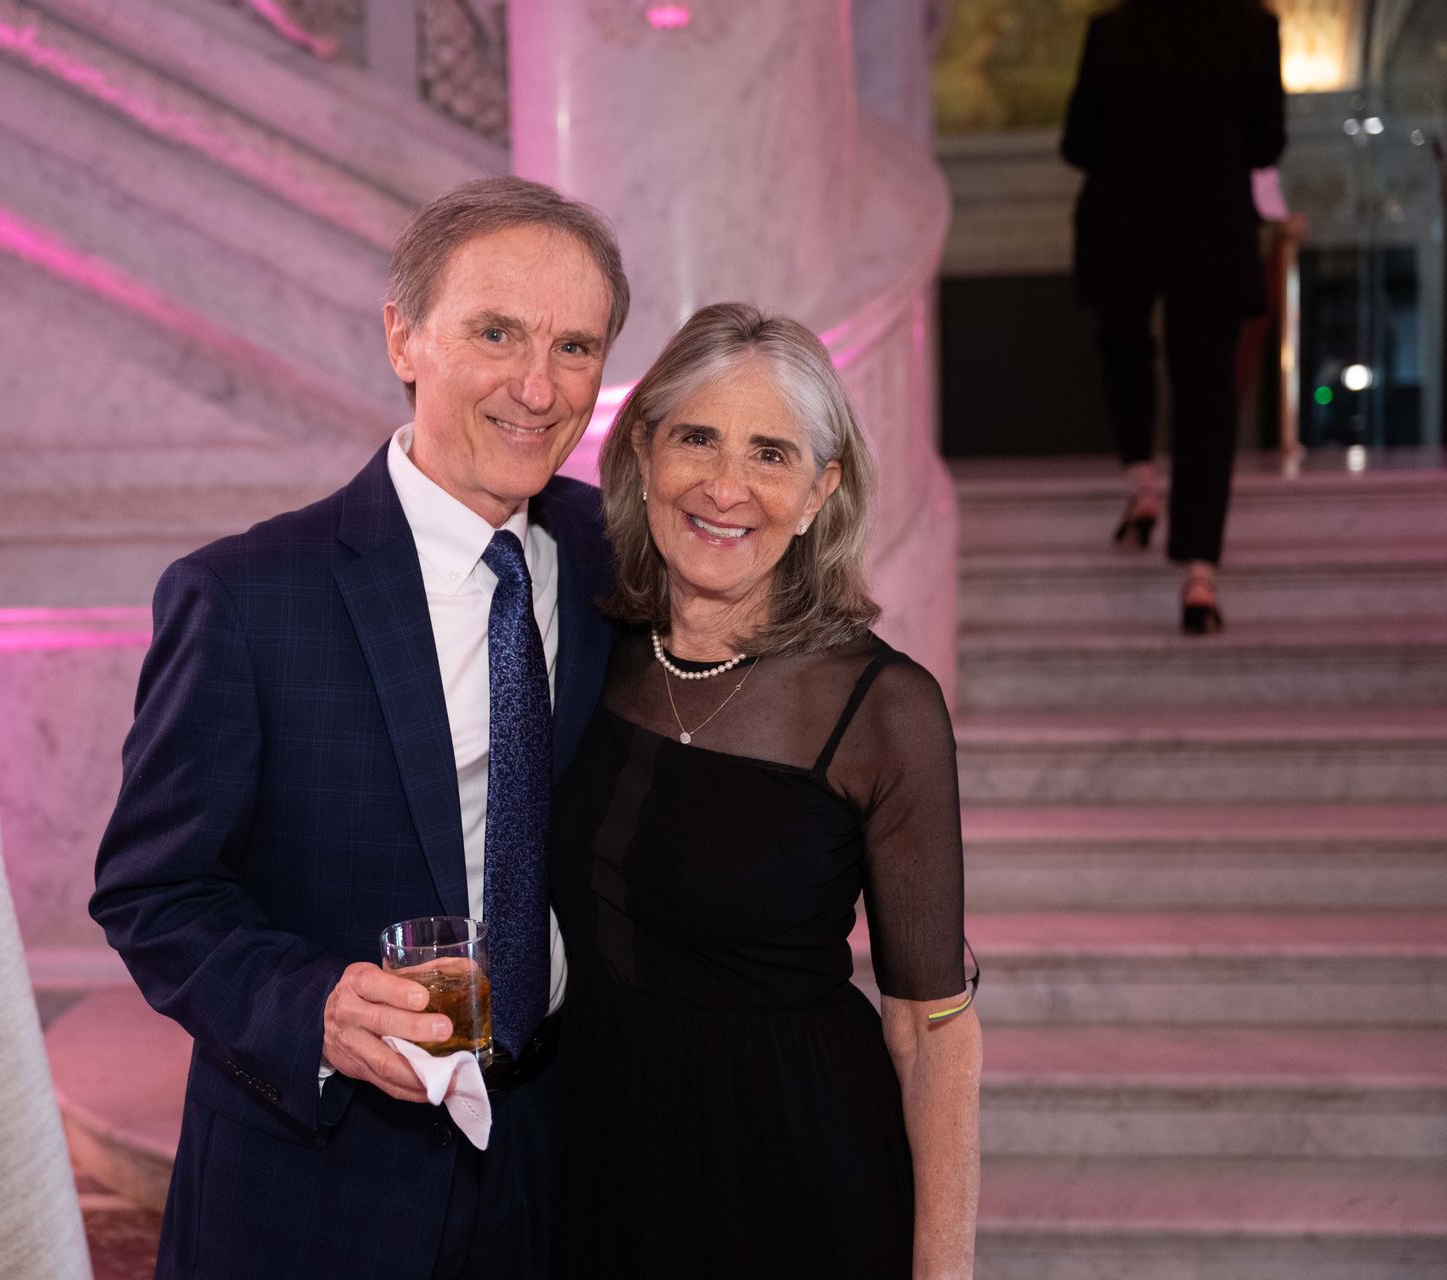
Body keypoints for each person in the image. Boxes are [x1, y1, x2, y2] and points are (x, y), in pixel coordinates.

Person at [90, 176, 627, 1279]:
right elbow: (153, 890)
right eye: (496, 333)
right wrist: (312, 1006)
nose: (539, 386)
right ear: (404, 337)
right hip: (318, 1188)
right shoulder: (246, 597)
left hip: (569, 1164)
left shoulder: (617, 557)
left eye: (576, 347)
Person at [551, 303, 982, 1277]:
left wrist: (943, 1269)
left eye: (772, 453)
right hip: (597, 1148)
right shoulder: (596, 643)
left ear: (822, 487)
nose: (725, 485)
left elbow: (932, 1026)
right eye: (696, 436)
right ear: (644, 449)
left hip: (792, 1168)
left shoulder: (883, 707)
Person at [1061, 0, 1288, 633]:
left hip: (1123, 224)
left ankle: (1143, 487)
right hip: (1212, 230)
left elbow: (1078, 143)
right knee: (1206, 396)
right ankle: (1199, 575)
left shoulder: (1112, 32)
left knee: (1126, 351)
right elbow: (1267, 143)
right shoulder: (1255, 31)